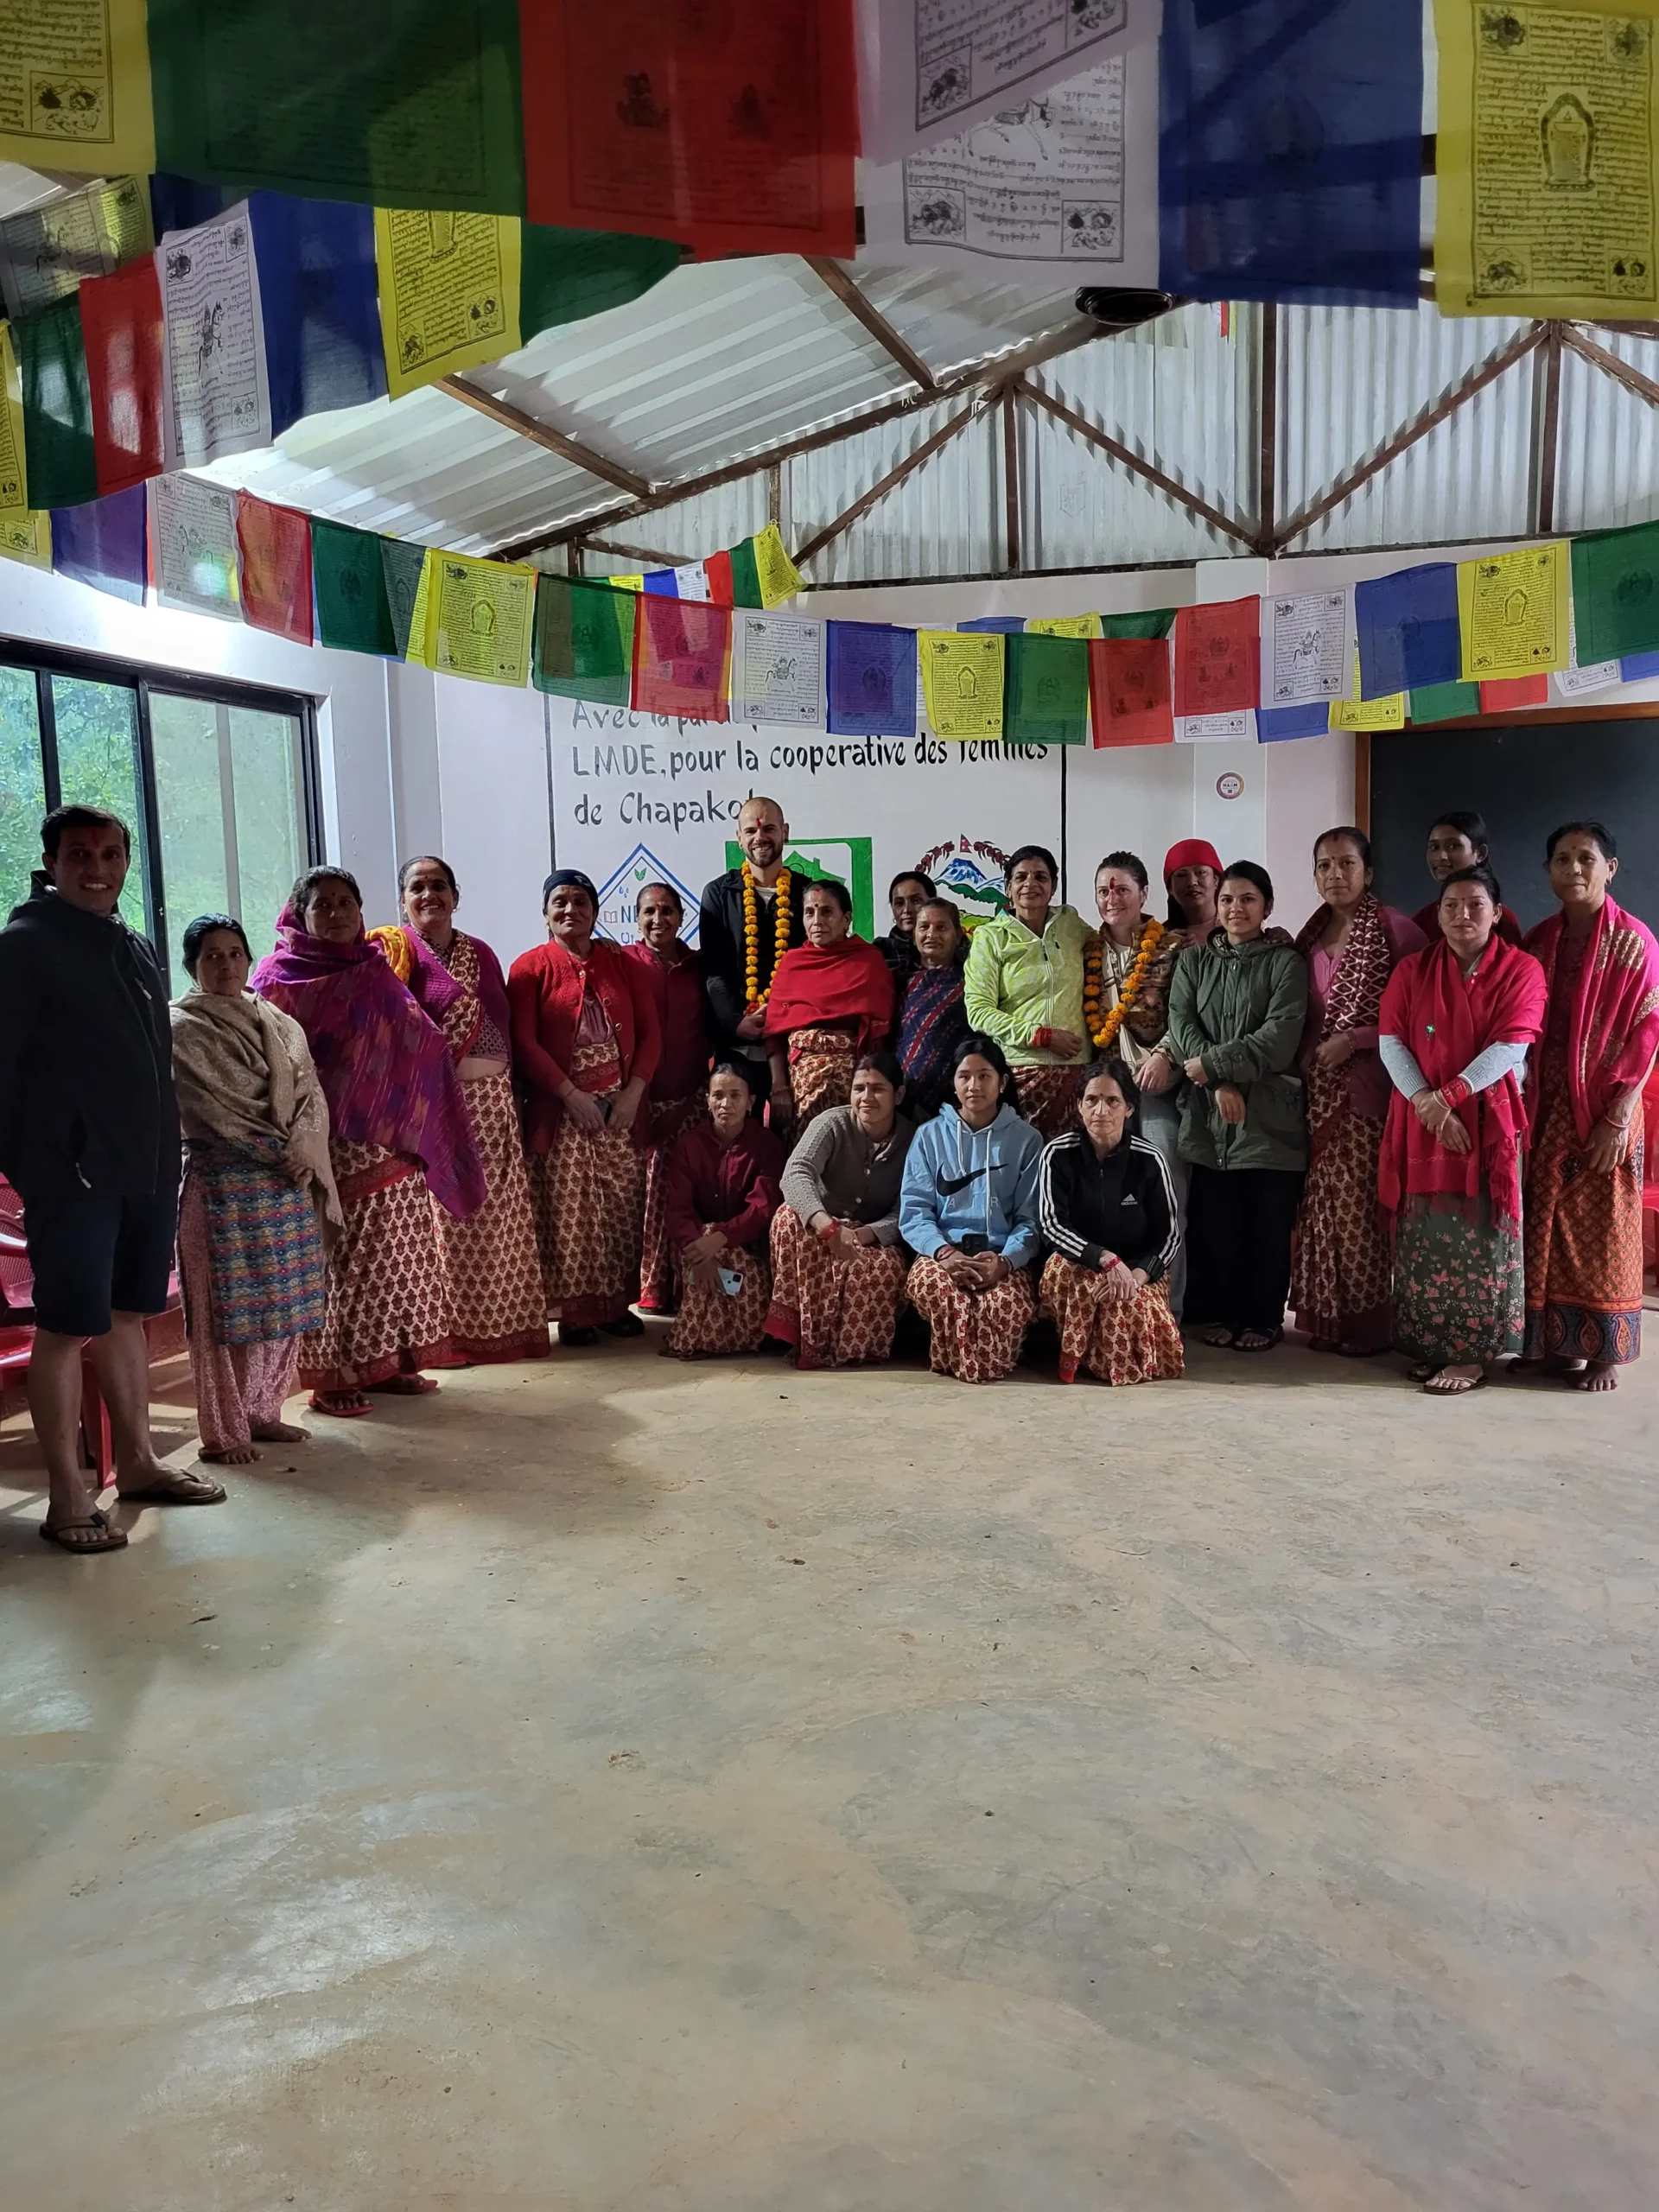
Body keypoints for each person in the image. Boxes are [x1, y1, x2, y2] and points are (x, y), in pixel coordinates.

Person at [0, 806, 225, 1549]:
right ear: (52, 864)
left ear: (126, 859)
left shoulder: (130, 942)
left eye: (108, 853)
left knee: (126, 1314)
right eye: (78, 855)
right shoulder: (25, 947)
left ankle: (139, 1463)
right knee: (67, 1328)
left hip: (148, 1164)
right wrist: (36, 1163)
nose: (96, 868)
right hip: (70, 1176)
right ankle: (68, 1495)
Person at [251, 867, 485, 1412]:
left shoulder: (375, 971)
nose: (335, 914)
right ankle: (334, 1378)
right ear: (299, 914)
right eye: (323, 905)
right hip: (322, 1146)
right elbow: (269, 1066)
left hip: (392, 1143)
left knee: (396, 1260)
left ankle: (387, 1363)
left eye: (344, 903)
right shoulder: (275, 980)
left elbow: (419, 1039)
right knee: (339, 1262)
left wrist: (413, 1102)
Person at [171, 915, 340, 1463]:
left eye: (235, 953)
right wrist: (284, 1154)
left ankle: (264, 1412)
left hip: (287, 1185)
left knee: (282, 1308)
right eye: (212, 956)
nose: (225, 964)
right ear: (192, 966)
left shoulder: (278, 1021)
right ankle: (224, 1433)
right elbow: (216, 1106)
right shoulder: (180, 1028)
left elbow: (311, 1096)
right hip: (223, 1186)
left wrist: (305, 1152)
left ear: (249, 959)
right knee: (225, 1319)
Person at [371, 857, 547, 1363]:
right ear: (402, 899)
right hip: (434, 1110)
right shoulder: (392, 955)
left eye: (439, 886)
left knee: (499, 1216)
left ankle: (508, 1329)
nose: (430, 895)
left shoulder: (482, 953)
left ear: (456, 894)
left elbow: (507, 1029)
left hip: (493, 1105)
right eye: (418, 887)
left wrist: (513, 1095)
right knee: (444, 1222)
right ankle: (452, 1338)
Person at [1379, 864, 1548, 1395]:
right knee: (1427, 1234)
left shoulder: (1522, 970)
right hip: (1421, 1116)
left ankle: (1472, 1355)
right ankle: (1433, 1345)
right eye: (1451, 905)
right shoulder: (1413, 969)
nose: (1462, 914)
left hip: (1486, 1121)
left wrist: (1447, 1099)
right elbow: (1391, 1041)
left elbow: (1512, 1045)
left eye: (1475, 904)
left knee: (1480, 1236)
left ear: (1497, 913)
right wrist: (1426, 1103)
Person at [1519, 821, 1659, 1389]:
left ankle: (1604, 1352)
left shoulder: (1634, 942)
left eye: (1585, 858)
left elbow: (1648, 1032)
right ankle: (1556, 1344)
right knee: (1547, 1221)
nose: (1573, 869)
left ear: (1611, 869)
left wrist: (1618, 1115)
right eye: (1561, 859)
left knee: (1604, 1227)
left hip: (1607, 1109)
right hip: (1547, 1106)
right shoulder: (1539, 940)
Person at [508, 868, 660, 1348]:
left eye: (580, 901)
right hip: (565, 1109)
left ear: (595, 910)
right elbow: (525, 1042)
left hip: (621, 1107)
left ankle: (617, 1306)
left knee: (620, 1206)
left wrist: (633, 1094)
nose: (570, 910)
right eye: (560, 902)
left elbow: (653, 1035)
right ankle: (576, 1314)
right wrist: (570, 1095)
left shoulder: (625, 965)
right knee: (570, 1212)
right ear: (545, 913)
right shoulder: (530, 968)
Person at [1288, 830, 1427, 1356]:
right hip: (1315, 1091)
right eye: (1324, 866)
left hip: (1371, 1092)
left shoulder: (1397, 932)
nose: (1335, 875)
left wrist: (1357, 1040)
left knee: (1361, 1210)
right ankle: (1330, 1321)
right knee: (1322, 1208)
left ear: (1368, 872)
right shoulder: (1308, 938)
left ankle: (1370, 1326)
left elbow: (1420, 1017)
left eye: (1347, 864)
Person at [1166, 861, 1308, 1351]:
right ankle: (1220, 1311)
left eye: (1248, 899)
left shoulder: (1286, 963)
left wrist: (1217, 1067)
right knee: (1214, 1220)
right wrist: (1217, 1081)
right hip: (1208, 1110)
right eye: (1227, 899)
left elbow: (1279, 1037)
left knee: (1265, 1222)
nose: (1235, 908)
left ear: (1267, 907)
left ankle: (1263, 1318)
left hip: (1268, 1113)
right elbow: (1181, 1025)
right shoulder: (1193, 961)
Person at [899, 1033, 1045, 1382]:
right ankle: (969, 1363)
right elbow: (915, 1212)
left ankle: (974, 1363)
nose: (974, 1085)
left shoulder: (1027, 1140)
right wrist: (944, 1252)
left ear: (1003, 1082)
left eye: (984, 1076)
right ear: (953, 1082)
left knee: (1000, 1306)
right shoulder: (929, 1136)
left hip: (1002, 1259)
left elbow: (1032, 1218)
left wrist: (1005, 1262)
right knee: (948, 1297)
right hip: (943, 1256)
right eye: (964, 1076)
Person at [1082, 849, 1191, 1314]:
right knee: (1108, 1200)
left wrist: (1166, 1055)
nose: (1113, 899)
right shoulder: (1086, 949)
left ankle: (1167, 1309)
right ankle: (1115, 1306)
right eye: (1104, 890)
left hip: (1160, 1087)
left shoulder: (1173, 946)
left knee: (1166, 1197)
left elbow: (1188, 1014)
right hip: (1110, 1093)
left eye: (1123, 889)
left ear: (1145, 894)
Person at [1036, 1056, 1185, 1386]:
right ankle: (1092, 1355)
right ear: (1078, 1106)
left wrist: (1136, 1274)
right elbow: (1051, 1225)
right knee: (1077, 1282)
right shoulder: (1058, 1154)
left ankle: (1098, 1357)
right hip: (1079, 1266)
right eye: (1091, 1100)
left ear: (1129, 1108)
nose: (1100, 1111)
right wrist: (1104, 1259)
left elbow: (1169, 1235)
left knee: (1126, 1307)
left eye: (1112, 1101)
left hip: (1137, 1271)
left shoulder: (1150, 1159)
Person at [766, 1050, 915, 1369]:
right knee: (787, 1220)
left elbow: (911, 1206)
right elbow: (796, 1173)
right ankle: (804, 1338)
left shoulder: (914, 1139)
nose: (866, 1097)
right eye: (859, 1088)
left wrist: (866, 1233)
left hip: (871, 1235)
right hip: (823, 1222)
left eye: (877, 1088)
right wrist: (827, 1226)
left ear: (898, 1094)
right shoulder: (831, 1123)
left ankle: (848, 1349)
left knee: (883, 1268)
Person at [963, 843, 1092, 1136]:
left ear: (1053, 886)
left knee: (1070, 1166)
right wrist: (1041, 1037)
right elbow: (979, 1012)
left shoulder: (1070, 924)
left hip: (1077, 1071)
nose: (1030, 884)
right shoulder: (991, 937)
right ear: (1008, 887)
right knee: (1024, 1165)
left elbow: (1106, 948)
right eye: (1021, 877)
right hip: (1019, 1072)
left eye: (1040, 877)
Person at [624, 880, 709, 1314]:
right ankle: (646, 1288)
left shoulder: (698, 966)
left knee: (684, 1195)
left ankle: (685, 1291)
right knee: (642, 1199)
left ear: (682, 916)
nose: (658, 920)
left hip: (692, 1100)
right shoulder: (624, 963)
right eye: (649, 913)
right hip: (639, 1101)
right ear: (637, 920)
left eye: (667, 911)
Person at [662, 1064, 785, 1358]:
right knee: (704, 1255)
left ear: (751, 1102)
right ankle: (709, 1338)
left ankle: (703, 1338)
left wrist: (720, 1238)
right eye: (717, 1095)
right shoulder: (690, 1144)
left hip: (747, 1246)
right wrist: (698, 1250)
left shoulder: (766, 1145)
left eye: (735, 1096)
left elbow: (762, 1208)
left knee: (732, 1266)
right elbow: (678, 1208)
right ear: (707, 1100)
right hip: (694, 1244)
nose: (725, 1104)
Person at [697, 795, 809, 1111]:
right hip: (735, 1049)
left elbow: (811, 973)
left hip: (794, 1048)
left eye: (769, 829)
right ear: (739, 838)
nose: (760, 837)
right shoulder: (719, 893)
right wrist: (736, 1023)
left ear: (785, 832)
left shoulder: (808, 895)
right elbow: (715, 971)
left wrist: (780, 1021)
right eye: (751, 831)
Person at [763, 879, 894, 1128]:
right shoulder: (792, 963)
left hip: (855, 1081)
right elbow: (774, 1035)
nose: (817, 921)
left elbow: (879, 1036)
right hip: (801, 1084)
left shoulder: (869, 962)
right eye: (809, 912)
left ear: (846, 919)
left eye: (826, 912)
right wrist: (779, 1086)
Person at [897, 897, 972, 1122]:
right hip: (903, 1102)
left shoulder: (971, 984)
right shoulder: (899, 983)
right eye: (924, 927)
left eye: (941, 928)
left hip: (955, 1102)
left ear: (958, 935)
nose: (931, 935)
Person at [1412, 811, 1523, 945]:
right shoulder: (1423, 919)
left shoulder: (1503, 920)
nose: (1441, 856)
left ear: (1480, 853)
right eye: (1434, 847)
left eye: (1454, 846)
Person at [874, 869, 938, 985]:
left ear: (933, 903)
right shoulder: (879, 953)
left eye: (916, 901)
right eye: (899, 903)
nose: (907, 910)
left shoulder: (951, 947)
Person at [1163, 838, 1224, 942]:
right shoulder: (1160, 939)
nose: (1192, 882)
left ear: (1216, 880)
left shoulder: (1237, 929)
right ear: (1170, 888)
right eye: (1181, 875)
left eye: (1201, 873)